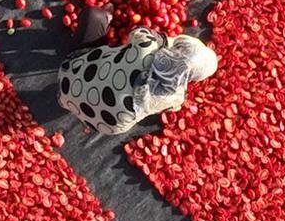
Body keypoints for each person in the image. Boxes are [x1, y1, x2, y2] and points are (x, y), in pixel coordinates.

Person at [58, 21, 219, 139]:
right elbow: (172, 107)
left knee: (94, 17)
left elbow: (137, 30)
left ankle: (63, 97)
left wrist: (164, 41)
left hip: (68, 81)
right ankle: (68, 103)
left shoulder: (146, 47)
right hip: (105, 125)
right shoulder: (175, 98)